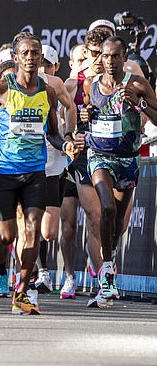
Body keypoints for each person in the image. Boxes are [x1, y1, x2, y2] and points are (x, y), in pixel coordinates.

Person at [0, 34, 77, 315]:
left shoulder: (47, 92)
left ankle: (22, 290)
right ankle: (10, 267)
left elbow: (52, 133)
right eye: (25, 53)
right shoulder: (2, 88)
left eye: (35, 53)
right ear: (16, 58)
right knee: (5, 236)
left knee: (32, 232)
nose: (31, 57)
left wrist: (64, 144)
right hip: (3, 172)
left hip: (34, 172)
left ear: (41, 59)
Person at [81, 36, 157, 307]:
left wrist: (140, 105)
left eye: (115, 56)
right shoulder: (92, 84)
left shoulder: (136, 84)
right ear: (100, 58)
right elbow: (89, 113)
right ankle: (106, 273)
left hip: (128, 159)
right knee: (107, 209)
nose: (110, 61)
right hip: (99, 156)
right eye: (105, 56)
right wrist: (85, 116)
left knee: (118, 224)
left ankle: (109, 261)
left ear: (125, 58)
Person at [62, 28, 109, 300]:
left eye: (103, 55)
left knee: (114, 221)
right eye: (94, 54)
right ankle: (102, 279)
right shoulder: (72, 84)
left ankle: (103, 264)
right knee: (93, 217)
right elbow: (63, 125)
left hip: (114, 155)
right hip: (83, 158)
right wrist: (72, 136)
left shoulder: (119, 81)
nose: (99, 60)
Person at [36, 45, 77, 294]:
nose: (39, 68)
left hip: (55, 160)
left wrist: (67, 137)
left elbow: (70, 108)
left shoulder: (54, 85)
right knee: (28, 221)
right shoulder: (8, 84)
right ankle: (37, 274)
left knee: (48, 231)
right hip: (23, 163)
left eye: (46, 65)